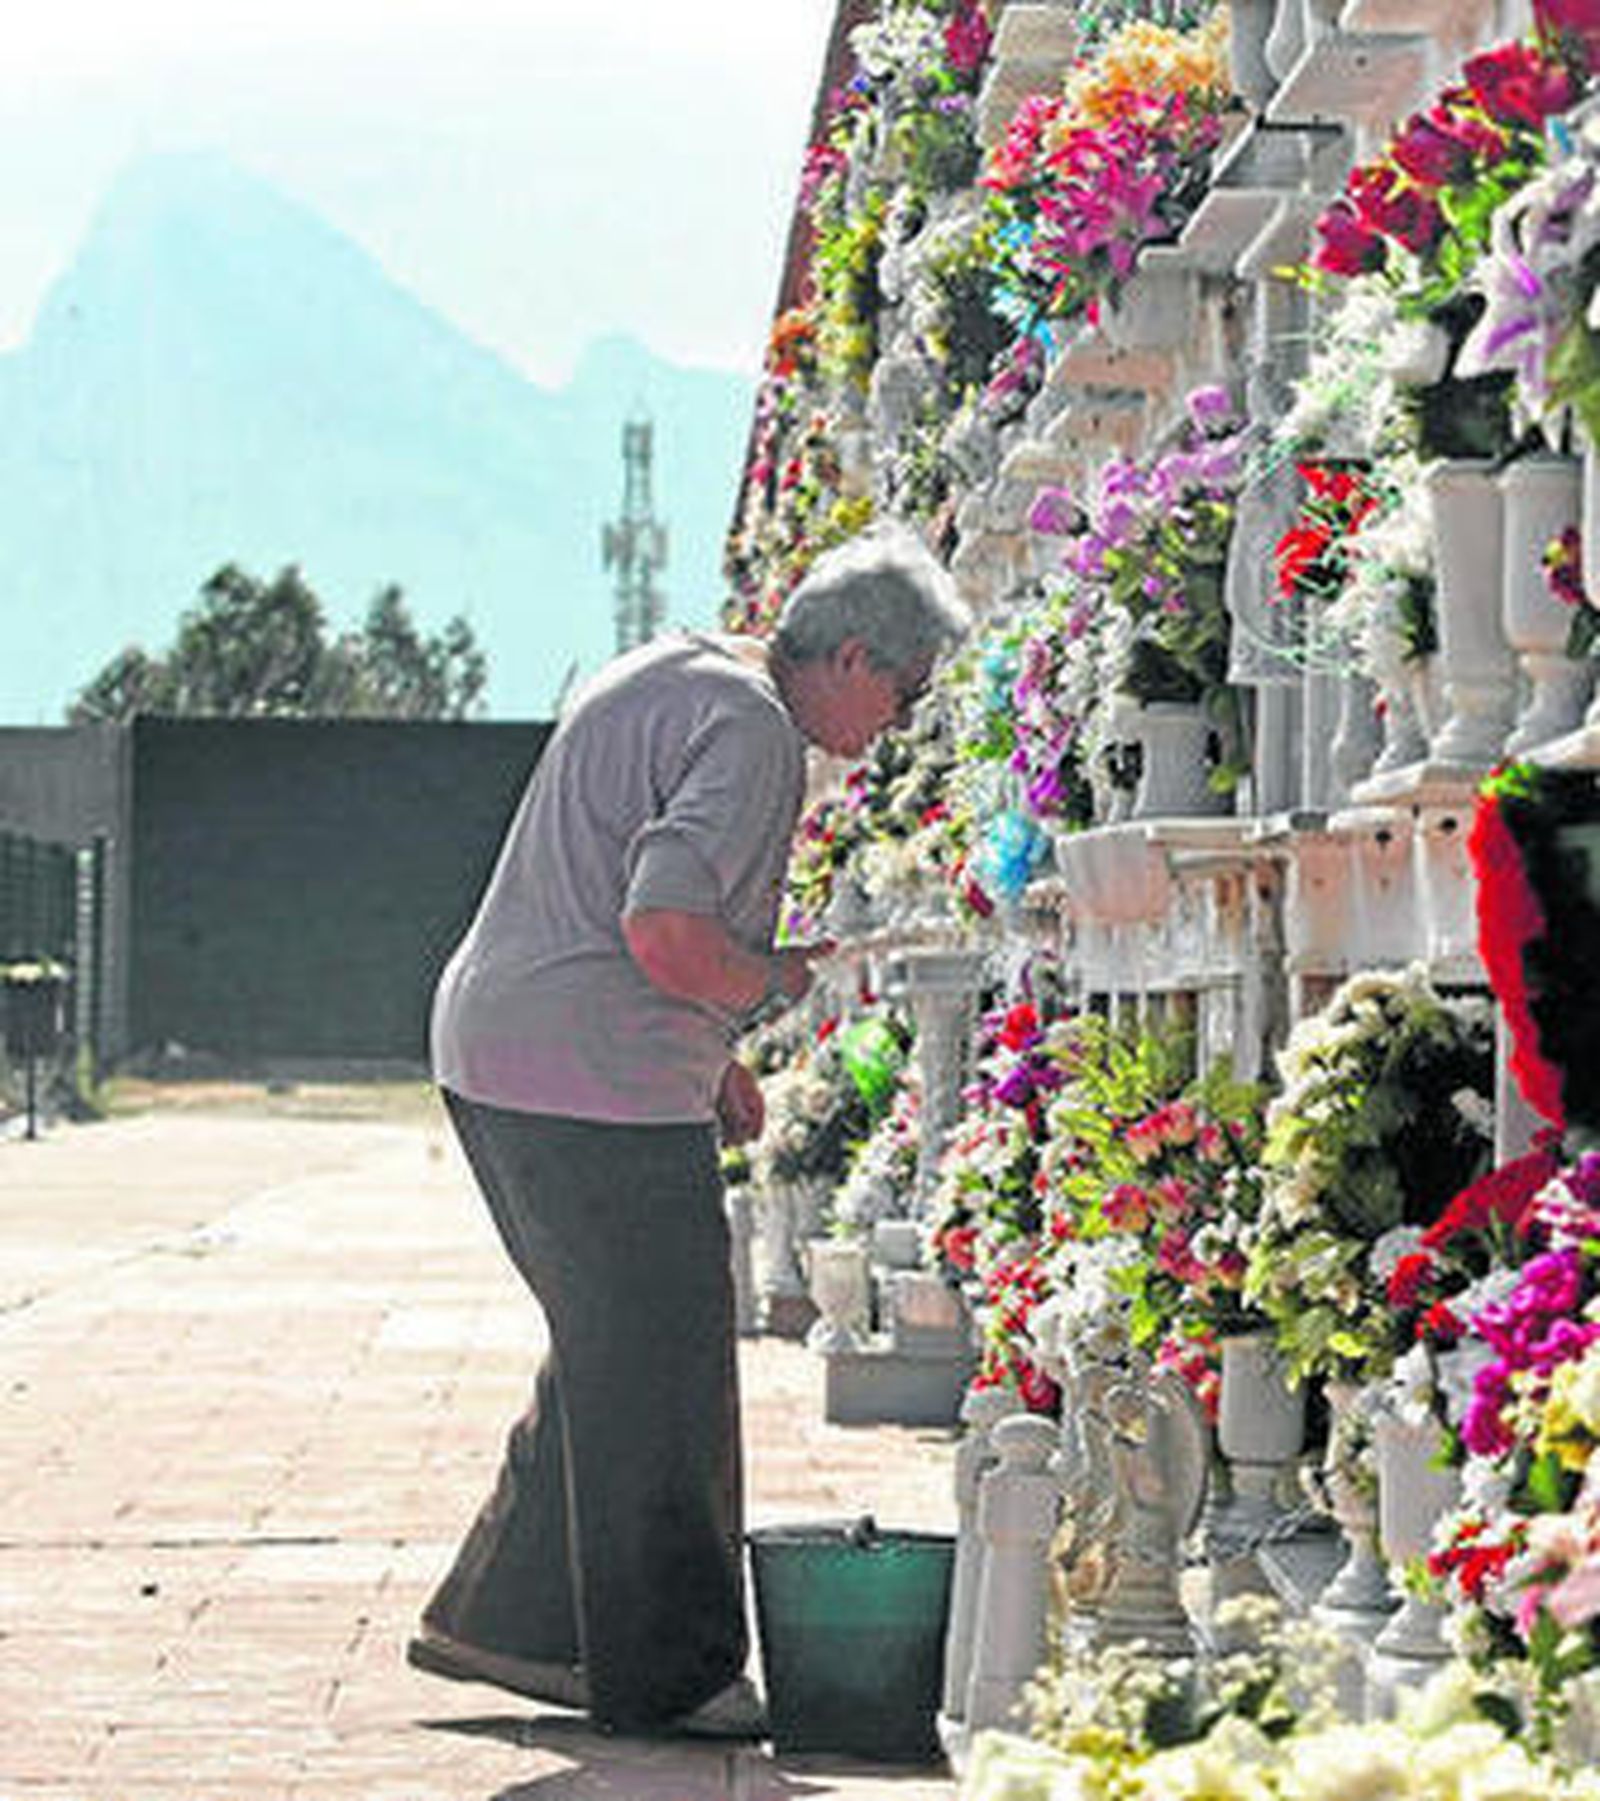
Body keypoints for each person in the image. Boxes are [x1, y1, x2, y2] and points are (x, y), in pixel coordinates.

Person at [407, 526, 968, 1739]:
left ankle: (508, 1623)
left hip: (514, 1050)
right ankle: (672, 1673)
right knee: (662, 1361)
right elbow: (664, 929)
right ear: (855, 654)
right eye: (904, 691)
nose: (898, 725)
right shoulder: (758, 730)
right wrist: (764, 983)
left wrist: (708, 1060)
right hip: (582, 1076)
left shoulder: (678, 666)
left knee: (609, 1342)